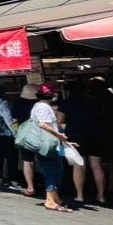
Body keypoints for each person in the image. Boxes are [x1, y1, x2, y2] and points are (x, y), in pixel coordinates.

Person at [58, 79, 104, 204]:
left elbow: (60, 121)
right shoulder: (94, 102)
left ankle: (80, 195)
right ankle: (101, 196)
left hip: (75, 136)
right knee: (96, 166)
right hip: (95, 135)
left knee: (78, 166)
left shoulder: (66, 103)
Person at [31, 84, 72, 213]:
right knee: (52, 170)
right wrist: (59, 135)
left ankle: (55, 198)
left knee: (54, 169)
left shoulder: (38, 106)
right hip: (47, 144)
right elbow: (43, 124)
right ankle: (50, 200)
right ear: (51, 95)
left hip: (45, 143)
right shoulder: (43, 107)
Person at [11, 84, 39, 197]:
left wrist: (17, 133)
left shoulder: (18, 103)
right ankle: (50, 186)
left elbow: (14, 121)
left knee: (27, 161)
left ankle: (30, 187)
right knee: (45, 160)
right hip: (39, 134)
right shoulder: (39, 104)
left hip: (25, 135)